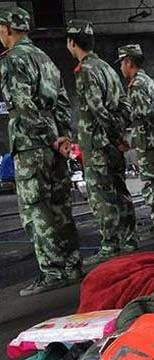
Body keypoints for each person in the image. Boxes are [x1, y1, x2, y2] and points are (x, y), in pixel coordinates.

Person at [0, 7, 82, 296]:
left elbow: (22, 106)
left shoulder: (13, 61)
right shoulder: (45, 58)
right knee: (60, 205)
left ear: (7, 28)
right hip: (55, 144)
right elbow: (61, 101)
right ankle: (72, 264)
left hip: (33, 145)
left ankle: (52, 271)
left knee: (36, 209)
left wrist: (48, 138)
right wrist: (62, 138)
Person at [66, 20, 137, 265]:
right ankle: (129, 240)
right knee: (120, 192)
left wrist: (112, 136)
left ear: (71, 43)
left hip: (98, 146)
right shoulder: (107, 68)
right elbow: (126, 107)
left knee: (101, 197)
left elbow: (97, 111)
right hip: (113, 145)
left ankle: (110, 245)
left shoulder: (85, 71)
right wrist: (120, 137)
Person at [118, 44, 154, 235]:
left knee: (153, 182)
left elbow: (145, 115)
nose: (121, 68)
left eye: (122, 63)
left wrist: (129, 138)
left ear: (128, 62)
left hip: (148, 142)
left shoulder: (138, 85)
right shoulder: (151, 82)